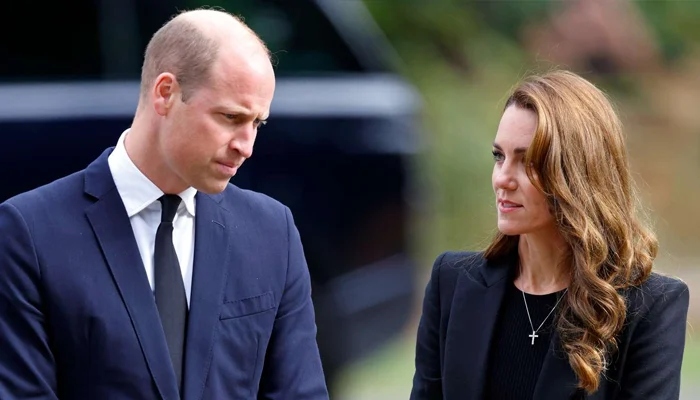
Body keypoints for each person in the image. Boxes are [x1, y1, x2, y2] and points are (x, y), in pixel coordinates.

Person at [0, 8, 329, 400]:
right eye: (230, 117)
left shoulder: (272, 231)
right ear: (165, 93)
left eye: (257, 123)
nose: (246, 146)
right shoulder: (28, 233)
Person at [410, 70, 689, 399]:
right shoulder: (452, 283)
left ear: (578, 173)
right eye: (499, 156)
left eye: (527, 161)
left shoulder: (649, 307)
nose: (502, 179)